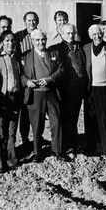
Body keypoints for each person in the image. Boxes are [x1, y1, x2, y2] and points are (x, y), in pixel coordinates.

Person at [21, 29, 69, 162]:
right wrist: (28, 82)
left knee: (56, 121)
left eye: (43, 39)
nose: (41, 42)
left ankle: (57, 150)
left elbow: (61, 69)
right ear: (32, 41)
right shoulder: (26, 56)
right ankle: (37, 152)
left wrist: (50, 79)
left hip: (52, 92)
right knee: (37, 125)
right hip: (35, 94)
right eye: (37, 40)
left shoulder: (53, 53)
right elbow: (21, 75)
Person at [50, 23, 88, 156]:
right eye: (67, 33)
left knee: (75, 117)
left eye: (72, 33)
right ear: (61, 34)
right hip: (65, 89)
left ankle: (73, 142)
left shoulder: (80, 47)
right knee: (67, 118)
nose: (70, 35)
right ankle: (68, 145)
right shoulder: (57, 49)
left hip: (79, 88)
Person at [0, 31, 23, 172]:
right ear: (1, 42)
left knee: (12, 131)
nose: (10, 43)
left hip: (14, 98)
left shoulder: (17, 57)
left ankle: (11, 159)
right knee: (0, 131)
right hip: (0, 99)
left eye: (13, 40)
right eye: (7, 40)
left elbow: (21, 75)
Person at [83, 25, 106, 156]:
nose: (97, 36)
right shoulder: (85, 48)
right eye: (94, 34)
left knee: (104, 118)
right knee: (90, 118)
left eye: (99, 33)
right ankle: (91, 147)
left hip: (104, 88)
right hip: (90, 88)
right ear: (90, 36)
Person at [14, 12, 39, 149]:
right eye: (29, 20)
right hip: (24, 76)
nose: (31, 23)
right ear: (24, 22)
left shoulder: (41, 34)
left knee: (37, 108)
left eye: (34, 20)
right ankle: (24, 138)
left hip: (38, 75)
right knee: (25, 108)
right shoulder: (18, 36)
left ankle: (37, 137)